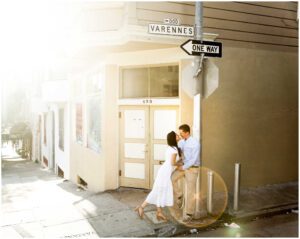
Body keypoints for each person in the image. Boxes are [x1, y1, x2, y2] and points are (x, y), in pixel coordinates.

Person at [135, 131, 182, 221]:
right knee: (158, 191)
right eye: (176, 135)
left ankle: (158, 212)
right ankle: (143, 207)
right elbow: (172, 163)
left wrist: (179, 161)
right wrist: (180, 164)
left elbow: (171, 162)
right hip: (165, 173)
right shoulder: (174, 149)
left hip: (164, 171)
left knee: (159, 191)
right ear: (174, 138)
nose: (178, 135)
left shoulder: (171, 148)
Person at [171, 124, 200, 222]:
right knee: (172, 178)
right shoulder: (182, 142)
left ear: (187, 132)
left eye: (181, 133)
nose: (180, 135)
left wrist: (183, 167)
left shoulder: (195, 143)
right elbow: (176, 150)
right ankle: (179, 195)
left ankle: (189, 213)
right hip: (184, 166)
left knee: (190, 191)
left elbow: (193, 159)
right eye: (179, 133)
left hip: (192, 168)